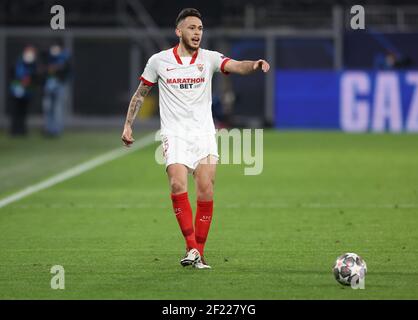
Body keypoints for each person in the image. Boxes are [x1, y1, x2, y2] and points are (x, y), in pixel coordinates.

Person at [121, 8, 270, 269]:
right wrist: (128, 125)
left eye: (200, 29)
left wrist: (254, 65)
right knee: (178, 185)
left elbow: (236, 66)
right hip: (174, 133)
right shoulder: (159, 61)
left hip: (203, 134)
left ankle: (198, 252)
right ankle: (192, 246)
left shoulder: (209, 59)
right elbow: (141, 93)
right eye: (191, 28)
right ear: (178, 31)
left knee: (206, 189)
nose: (197, 33)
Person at [41, 44, 71, 137]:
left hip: (59, 85)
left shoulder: (64, 58)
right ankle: (48, 129)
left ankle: (57, 130)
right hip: (49, 86)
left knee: (57, 108)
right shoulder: (48, 58)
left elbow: (66, 70)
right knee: (47, 107)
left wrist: (57, 68)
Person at [9, 45, 38, 136]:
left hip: (27, 91)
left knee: (24, 112)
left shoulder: (34, 64)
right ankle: (15, 130)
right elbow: (15, 74)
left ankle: (22, 130)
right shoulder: (18, 61)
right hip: (17, 90)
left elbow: (35, 77)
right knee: (16, 111)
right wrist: (22, 81)